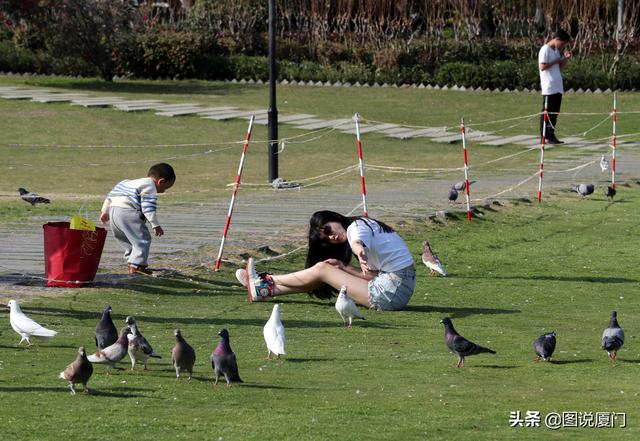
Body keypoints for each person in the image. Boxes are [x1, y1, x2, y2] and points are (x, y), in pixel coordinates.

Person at [235, 210, 416, 311]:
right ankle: (263, 290)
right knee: (322, 273)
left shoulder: (356, 227)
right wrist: (344, 267)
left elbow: (357, 241)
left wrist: (360, 251)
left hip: (391, 293)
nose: (332, 237)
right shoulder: (365, 225)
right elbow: (371, 276)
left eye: (328, 230)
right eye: (326, 239)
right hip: (394, 290)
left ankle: (265, 279)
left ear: (336, 218)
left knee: (321, 269)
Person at [99, 163, 175, 275]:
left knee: (128, 239)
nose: (163, 191)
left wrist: (104, 211)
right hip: (128, 213)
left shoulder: (125, 182)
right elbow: (148, 208)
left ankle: (132, 262)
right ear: (161, 181)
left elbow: (110, 196)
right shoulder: (149, 186)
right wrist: (155, 224)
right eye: (165, 188)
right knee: (142, 239)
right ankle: (137, 266)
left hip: (114, 212)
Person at [538, 29, 572, 144]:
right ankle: (544, 136)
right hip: (549, 87)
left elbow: (559, 68)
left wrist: (565, 59)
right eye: (562, 43)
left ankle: (551, 135)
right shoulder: (545, 49)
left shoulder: (556, 51)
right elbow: (542, 67)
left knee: (555, 113)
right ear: (557, 39)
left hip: (557, 86)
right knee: (547, 112)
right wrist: (556, 61)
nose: (563, 46)